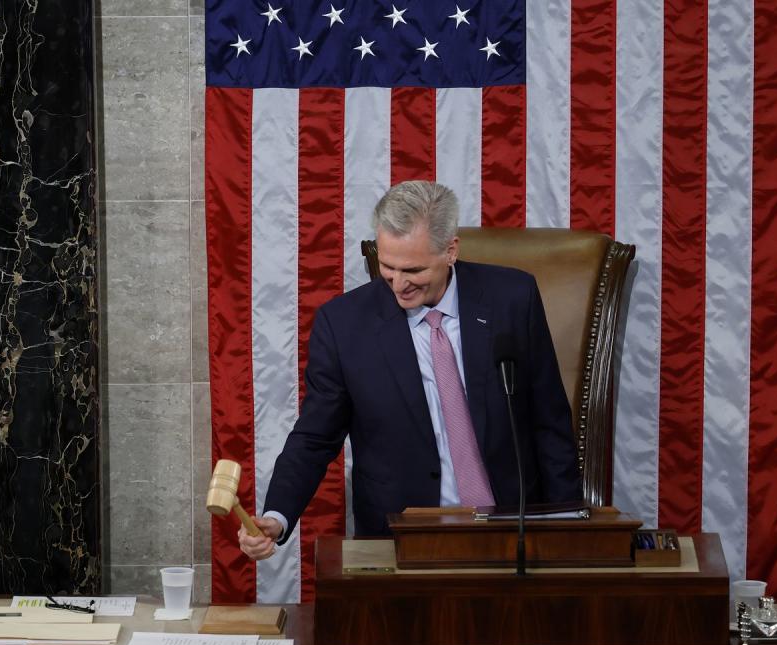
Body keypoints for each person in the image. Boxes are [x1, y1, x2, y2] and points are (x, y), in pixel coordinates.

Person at [239, 181, 580, 560]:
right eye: (387, 267)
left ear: (450, 250)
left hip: (510, 529)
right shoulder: (344, 324)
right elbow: (315, 436)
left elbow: (549, 422)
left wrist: (568, 529)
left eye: (413, 269)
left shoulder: (512, 299)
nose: (399, 284)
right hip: (400, 539)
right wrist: (277, 515)